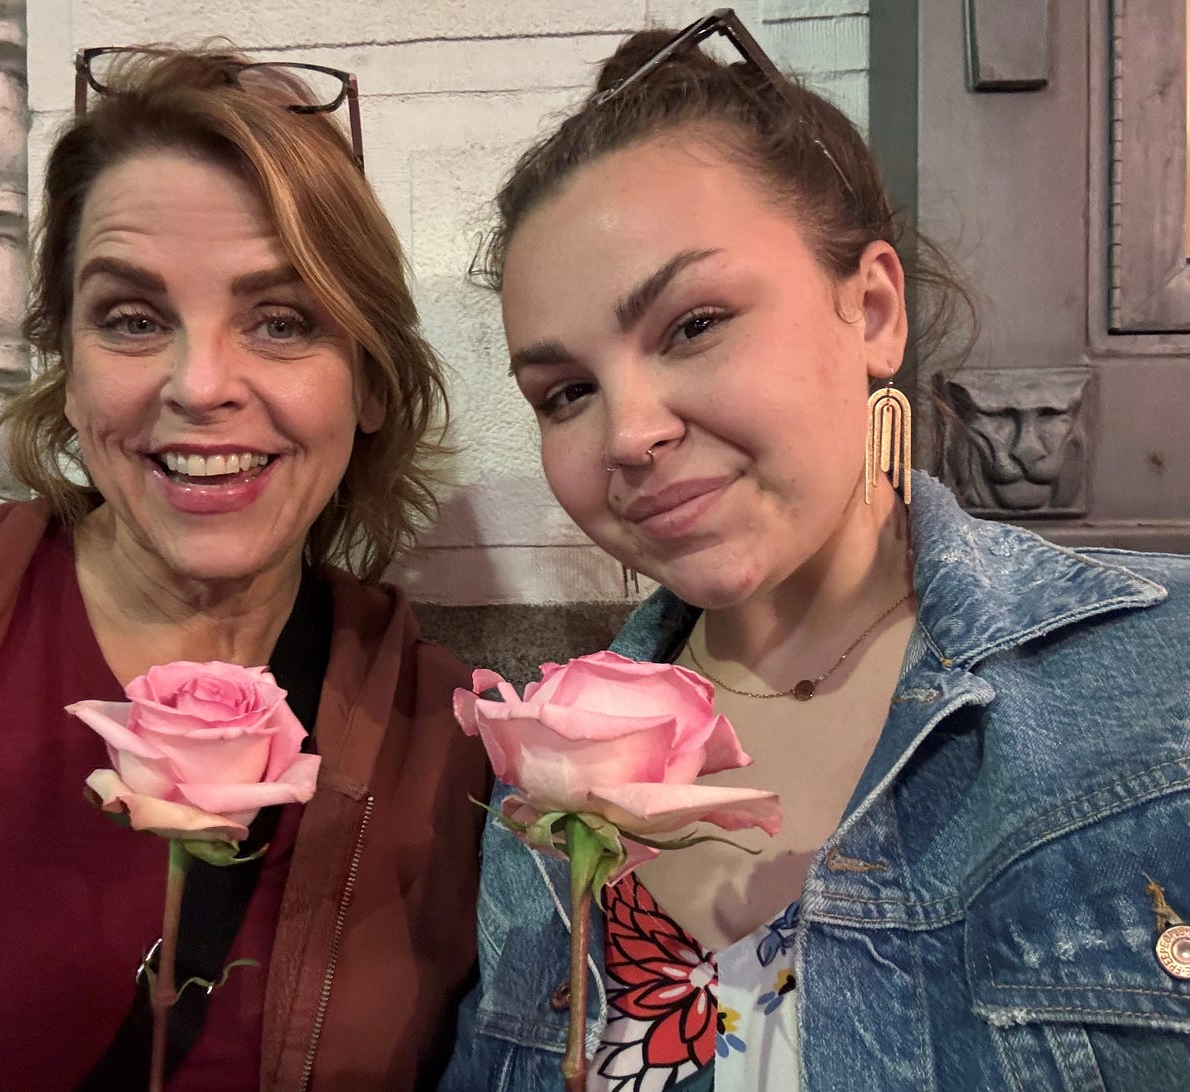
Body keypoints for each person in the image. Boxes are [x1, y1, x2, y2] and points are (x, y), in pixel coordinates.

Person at [443, 10, 1190, 1091]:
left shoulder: (1159, 678)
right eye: (566, 393)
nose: (627, 433)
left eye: (693, 324)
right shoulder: (544, 775)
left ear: (873, 310)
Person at [0, 47, 488, 1091]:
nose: (201, 385)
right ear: (69, 366)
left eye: (281, 320)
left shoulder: (443, 741)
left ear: (366, 381)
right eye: (133, 319)